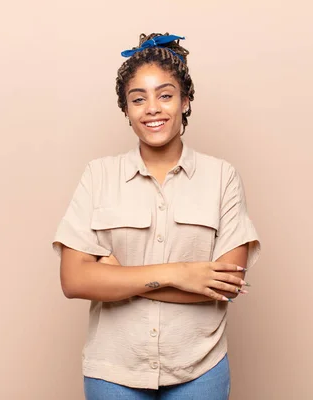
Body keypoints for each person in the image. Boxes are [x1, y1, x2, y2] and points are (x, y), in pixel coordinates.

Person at [52, 33, 261, 400]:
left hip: (200, 370)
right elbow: (73, 280)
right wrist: (182, 273)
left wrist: (116, 279)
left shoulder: (221, 177)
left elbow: (226, 285)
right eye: (138, 99)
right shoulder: (98, 176)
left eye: (165, 95)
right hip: (113, 371)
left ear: (185, 101)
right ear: (126, 110)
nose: (152, 108)